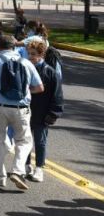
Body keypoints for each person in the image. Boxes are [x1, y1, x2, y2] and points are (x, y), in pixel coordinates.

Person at [0, 33, 44, 190]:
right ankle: (18, 170)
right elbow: (39, 88)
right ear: (14, 46)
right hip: (21, 109)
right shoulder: (26, 62)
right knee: (24, 141)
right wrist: (24, 91)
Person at [25, 38, 63, 183]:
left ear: (41, 55)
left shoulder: (50, 72)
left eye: (33, 54)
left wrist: (54, 113)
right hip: (26, 111)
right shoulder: (26, 68)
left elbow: (57, 94)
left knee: (40, 142)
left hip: (42, 113)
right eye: (29, 54)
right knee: (26, 139)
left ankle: (39, 168)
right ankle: (26, 164)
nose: (30, 57)